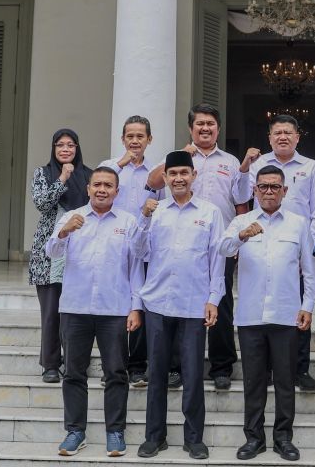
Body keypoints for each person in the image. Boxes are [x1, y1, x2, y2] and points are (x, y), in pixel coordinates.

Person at [146, 103, 250, 391]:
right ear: (191, 129)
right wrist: (184, 153)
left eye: (210, 124)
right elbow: (152, 181)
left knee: (221, 302)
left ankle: (221, 366)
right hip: (180, 242)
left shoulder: (230, 162)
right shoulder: (179, 158)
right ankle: (176, 366)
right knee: (179, 304)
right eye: (200, 124)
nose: (205, 128)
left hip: (218, 242)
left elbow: (240, 201)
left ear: (218, 128)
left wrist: (239, 238)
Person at [219, 165, 315, 462]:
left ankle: (283, 438)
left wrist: (308, 306)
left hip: (286, 315)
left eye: (275, 187)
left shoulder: (298, 224)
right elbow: (222, 249)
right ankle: (254, 438)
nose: (269, 191)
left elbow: (309, 272)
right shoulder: (241, 220)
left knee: (286, 381)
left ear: (285, 191)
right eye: (263, 186)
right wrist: (241, 237)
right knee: (254, 381)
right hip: (250, 316)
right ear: (255, 190)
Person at [47, 166, 145, 458]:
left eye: (108, 185)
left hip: (113, 309)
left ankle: (115, 432)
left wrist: (136, 307)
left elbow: (137, 266)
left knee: (116, 372)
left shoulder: (128, 222)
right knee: (74, 372)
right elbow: (52, 252)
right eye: (97, 185)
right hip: (75, 308)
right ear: (88, 188)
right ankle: (75, 432)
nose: (102, 189)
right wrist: (63, 232)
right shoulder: (71, 217)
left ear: (117, 191)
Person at [136, 150, 225, 460]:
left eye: (183, 173)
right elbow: (138, 251)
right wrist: (144, 218)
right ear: (165, 178)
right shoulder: (155, 211)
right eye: (172, 174)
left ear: (193, 176)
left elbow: (217, 259)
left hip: (193, 305)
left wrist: (214, 299)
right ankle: (154, 436)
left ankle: (194, 438)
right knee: (157, 372)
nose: (177, 178)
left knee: (192, 374)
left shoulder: (211, 212)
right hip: (158, 303)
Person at [246, 114, 315, 392]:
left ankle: (299, 369)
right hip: (261, 244)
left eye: (288, 133)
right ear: (269, 137)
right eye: (277, 132)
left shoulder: (311, 167)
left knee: (298, 311)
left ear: (297, 137)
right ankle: (266, 368)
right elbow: (244, 198)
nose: (282, 137)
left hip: (296, 243)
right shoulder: (258, 165)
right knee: (265, 311)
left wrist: (310, 245)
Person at [101, 115, 161, 388]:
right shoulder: (110, 168)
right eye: (130, 136)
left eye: (140, 136)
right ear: (122, 139)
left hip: (146, 247)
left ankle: (137, 366)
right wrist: (121, 163)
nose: (135, 141)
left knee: (140, 305)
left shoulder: (156, 172)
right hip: (114, 245)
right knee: (114, 308)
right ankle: (113, 366)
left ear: (149, 139)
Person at [28, 128, 91, 384]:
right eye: (60, 145)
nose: (66, 149)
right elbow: (42, 204)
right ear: (53, 149)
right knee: (51, 310)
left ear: (77, 149)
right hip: (49, 253)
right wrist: (62, 179)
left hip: (79, 251)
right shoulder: (43, 173)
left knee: (75, 313)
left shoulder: (87, 174)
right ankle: (51, 364)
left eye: (71, 145)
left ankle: (75, 362)